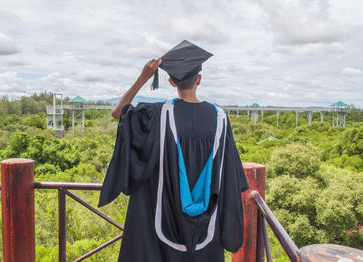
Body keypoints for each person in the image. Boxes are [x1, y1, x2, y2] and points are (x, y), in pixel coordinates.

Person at [98, 40, 249, 262]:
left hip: (159, 229)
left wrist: (143, 77)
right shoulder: (220, 118)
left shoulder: (157, 114)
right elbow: (231, 178)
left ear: (170, 81)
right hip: (208, 230)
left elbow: (118, 112)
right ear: (199, 79)